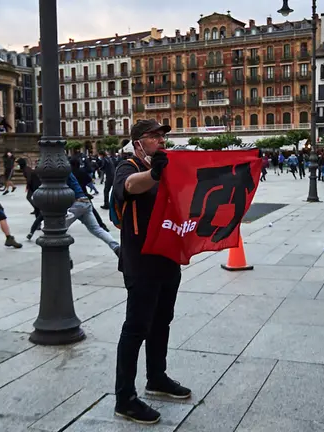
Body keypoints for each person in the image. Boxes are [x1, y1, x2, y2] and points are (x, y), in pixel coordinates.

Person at [113, 120, 190, 425]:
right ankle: (125, 398)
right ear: (138, 142)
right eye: (153, 136)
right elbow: (130, 187)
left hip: (167, 259)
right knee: (136, 328)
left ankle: (156, 377)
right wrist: (154, 173)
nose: (160, 140)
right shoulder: (127, 166)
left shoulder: (168, 168)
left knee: (162, 322)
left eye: (162, 136)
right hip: (141, 262)